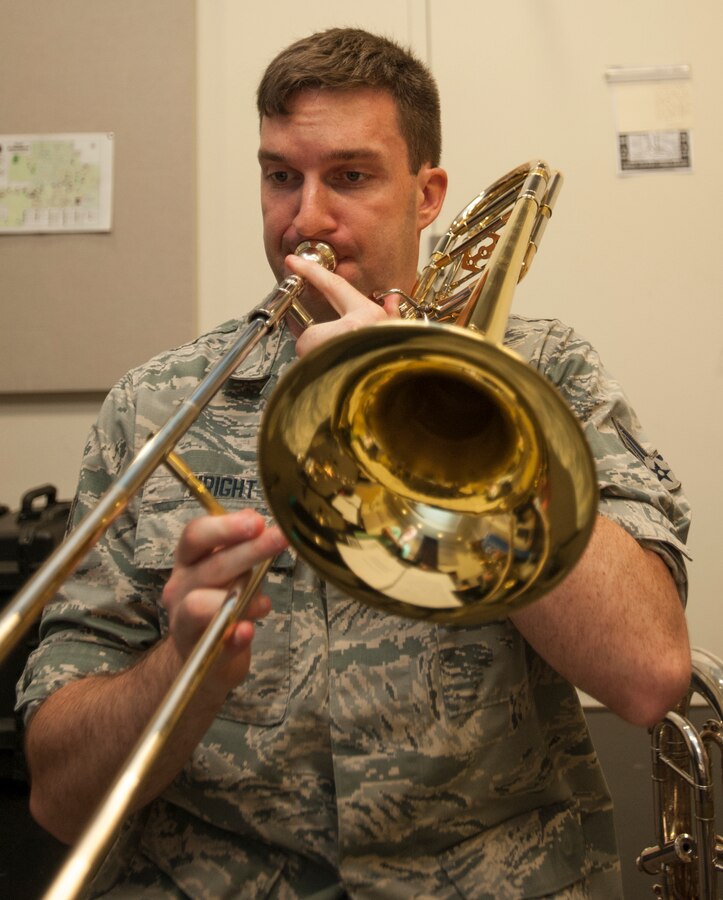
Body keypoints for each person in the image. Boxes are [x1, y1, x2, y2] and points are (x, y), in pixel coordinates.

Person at [17, 27, 691, 899]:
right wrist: (177, 670)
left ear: (426, 195)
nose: (304, 220)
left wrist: (453, 411)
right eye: (279, 176)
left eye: (351, 176)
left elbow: (646, 676)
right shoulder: (153, 405)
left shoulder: (546, 372)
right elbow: (60, 801)